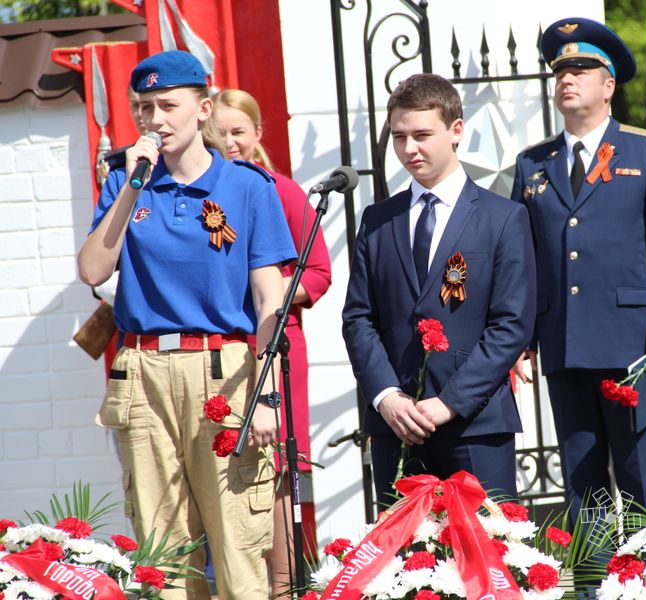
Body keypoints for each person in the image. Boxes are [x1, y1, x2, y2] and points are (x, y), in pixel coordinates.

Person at [77, 50, 297, 599]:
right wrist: (131, 186)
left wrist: (267, 394)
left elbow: (270, 299)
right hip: (144, 371)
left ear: (203, 109)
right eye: (144, 107)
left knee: (237, 541)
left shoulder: (248, 187)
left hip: (223, 369)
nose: (155, 119)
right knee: (163, 547)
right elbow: (93, 270)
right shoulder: (125, 182)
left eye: (168, 105)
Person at [511, 17, 646, 515]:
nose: (567, 79)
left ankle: (644, 563)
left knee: (636, 472)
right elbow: (523, 258)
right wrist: (523, 337)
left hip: (628, 341)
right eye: (560, 72)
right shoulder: (533, 163)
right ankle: (593, 567)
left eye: (581, 71)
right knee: (581, 478)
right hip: (563, 341)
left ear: (608, 86)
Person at [342, 73, 536, 507]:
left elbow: (511, 325)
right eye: (399, 137)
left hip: (474, 424)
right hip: (398, 423)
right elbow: (358, 318)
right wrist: (386, 397)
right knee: (402, 549)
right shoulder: (378, 220)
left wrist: (449, 402)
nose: (409, 149)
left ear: (456, 131)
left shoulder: (502, 218)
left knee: (485, 545)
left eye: (422, 135)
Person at [213, 88, 332, 596]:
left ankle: (286, 586)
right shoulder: (201, 192)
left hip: (278, 346)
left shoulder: (281, 191)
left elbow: (319, 273)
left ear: (258, 133)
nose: (230, 142)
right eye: (219, 133)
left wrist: (266, 293)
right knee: (226, 466)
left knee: (280, 468)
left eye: (239, 131)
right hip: (219, 349)